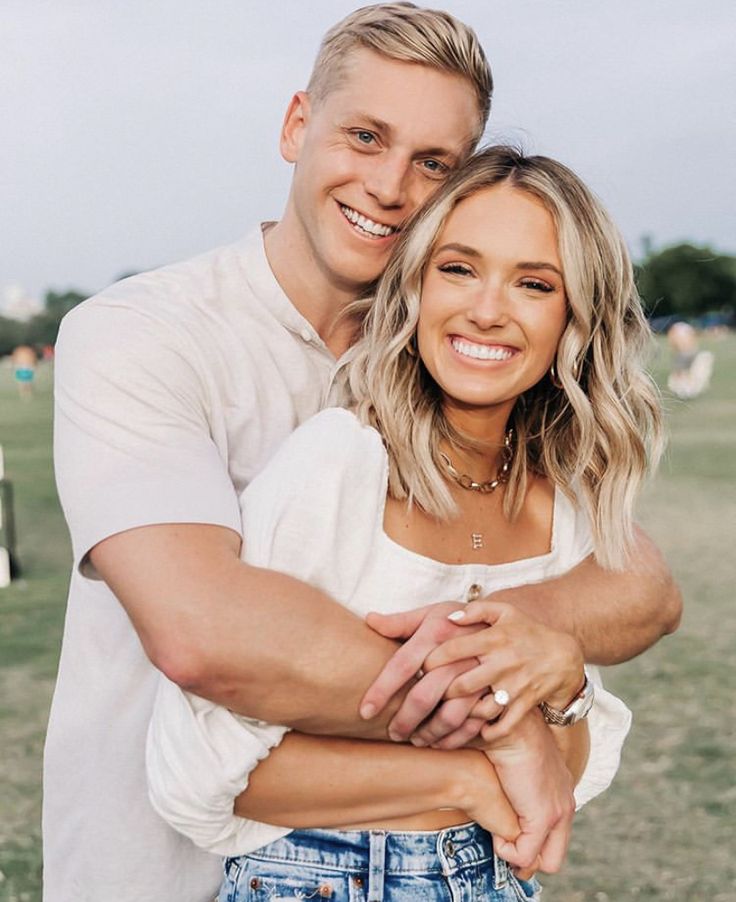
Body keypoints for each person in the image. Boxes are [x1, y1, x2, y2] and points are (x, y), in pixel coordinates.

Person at [48, 5, 681, 902]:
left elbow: (639, 586)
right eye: (365, 136)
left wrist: (546, 650)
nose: (390, 185)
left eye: (434, 164)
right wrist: (502, 719)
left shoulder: (450, 360)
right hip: (160, 865)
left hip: (435, 853)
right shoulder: (142, 334)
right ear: (296, 125)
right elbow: (204, 636)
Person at [144, 145, 656, 901]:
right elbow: (203, 773)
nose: (487, 308)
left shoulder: (567, 506)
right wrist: (473, 775)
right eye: (458, 268)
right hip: (316, 881)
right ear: (414, 284)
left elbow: (562, 778)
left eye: (534, 283)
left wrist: (564, 678)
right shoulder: (341, 463)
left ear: (574, 318)